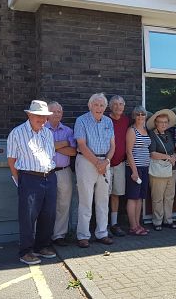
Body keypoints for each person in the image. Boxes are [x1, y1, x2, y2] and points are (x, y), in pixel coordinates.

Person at [7, 100, 57, 265]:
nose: (42, 120)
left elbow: (50, 156)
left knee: (48, 214)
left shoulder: (48, 133)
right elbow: (12, 161)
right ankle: (26, 251)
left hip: (49, 176)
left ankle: (42, 246)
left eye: (44, 117)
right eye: (38, 116)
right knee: (28, 217)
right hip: (29, 178)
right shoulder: (17, 133)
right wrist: (20, 182)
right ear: (29, 115)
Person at [74, 93, 115, 248]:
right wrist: (98, 162)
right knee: (85, 200)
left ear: (105, 107)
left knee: (103, 200)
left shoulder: (108, 121)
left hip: (105, 162)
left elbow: (113, 146)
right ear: (90, 105)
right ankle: (83, 235)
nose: (99, 108)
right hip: (86, 162)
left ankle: (102, 233)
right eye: (96, 105)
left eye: (102, 105)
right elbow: (82, 145)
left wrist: (106, 162)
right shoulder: (81, 120)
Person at [46, 101, 77, 246]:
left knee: (63, 205)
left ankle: (59, 235)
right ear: (48, 113)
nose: (57, 114)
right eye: (54, 111)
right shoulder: (41, 129)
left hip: (64, 172)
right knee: (44, 205)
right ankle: (43, 235)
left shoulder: (68, 131)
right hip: (46, 173)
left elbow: (73, 151)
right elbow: (43, 148)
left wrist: (53, 146)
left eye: (59, 111)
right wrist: (63, 143)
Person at [147, 109, 176, 231]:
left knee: (169, 196)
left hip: (171, 169)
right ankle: (157, 221)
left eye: (165, 122)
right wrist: (168, 157)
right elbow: (153, 154)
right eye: (160, 122)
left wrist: (174, 156)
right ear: (156, 123)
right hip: (158, 169)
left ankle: (168, 220)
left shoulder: (169, 134)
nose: (163, 124)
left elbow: (173, 150)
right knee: (158, 197)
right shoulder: (152, 135)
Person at [125, 106, 151, 236]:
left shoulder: (146, 130)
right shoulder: (132, 131)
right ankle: (133, 226)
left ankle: (138, 224)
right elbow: (129, 151)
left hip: (145, 168)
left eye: (143, 114)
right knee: (132, 197)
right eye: (138, 114)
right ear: (134, 116)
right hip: (134, 168)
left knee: (140, 197)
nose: (140, 116)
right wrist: (134, 172)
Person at [108, 95, 130, 237]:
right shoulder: (105, 120)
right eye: (115, 104)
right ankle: (102, 225)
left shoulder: (127, 121)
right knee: (103, 195)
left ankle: (114, 224)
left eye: (121, 104)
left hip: (120, 164)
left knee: (116, 194)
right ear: (110, 106)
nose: (118, 107)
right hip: (105, 163)